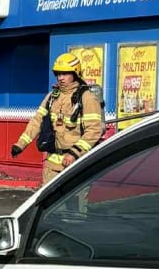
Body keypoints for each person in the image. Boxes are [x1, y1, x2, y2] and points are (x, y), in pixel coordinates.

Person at [11, 52, 103, 184]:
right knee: (49, 203)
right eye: (58, 74)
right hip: (52, 165)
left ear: (75, 74)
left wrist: (74, 153)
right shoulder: (52, 96)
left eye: (65, 74)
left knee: (76, 204)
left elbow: (94, 130)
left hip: (76, 164)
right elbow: (37, 121)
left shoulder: (87, 98)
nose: (60, 78)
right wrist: (20, 144)